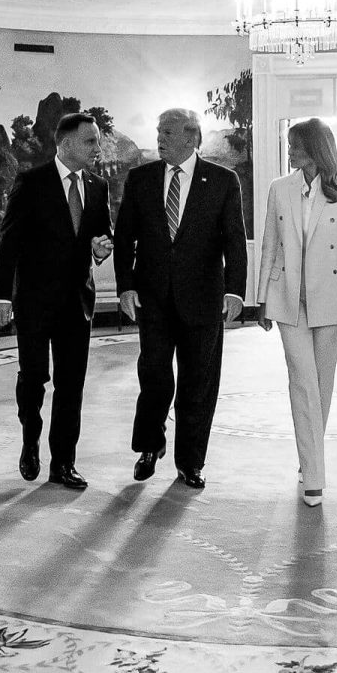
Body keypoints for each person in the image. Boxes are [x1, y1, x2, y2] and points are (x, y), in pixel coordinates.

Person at [114, 108, 247, 489]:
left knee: (197, 383)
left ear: (191, 137)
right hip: (152, 299)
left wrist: (235, 291)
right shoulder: (140, 179)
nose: (160, 139)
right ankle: (149, 445)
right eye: (159, 132)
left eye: (168, 133)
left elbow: (234, 240)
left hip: (203, 300)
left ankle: (190, 462)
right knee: (154, 377)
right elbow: (124, 238)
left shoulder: (222, 181)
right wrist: (126, 286)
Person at [0, 112, 115, 489]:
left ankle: (63, 463)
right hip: (33, 301)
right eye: (91, 141)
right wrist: (1, 296)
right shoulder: (31, 182)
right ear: (66, 143)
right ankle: (30, 441)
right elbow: (9, 242)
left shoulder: (98, 186)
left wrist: (101, 248)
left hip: (78, 302)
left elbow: (102, 234)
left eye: (97, 141)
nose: (97, 148)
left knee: (71, 385)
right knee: (33, 379)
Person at [257, 119, 337, 507]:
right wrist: (262, 298)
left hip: (332, 302)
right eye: (289, 145)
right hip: (287, 300)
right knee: (302, 382)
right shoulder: (279, 188)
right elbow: (270, 245)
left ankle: (308, 460)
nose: (290, 152)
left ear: (316, 148)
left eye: (296, 146)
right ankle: (315, 478)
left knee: (321, 385)